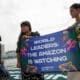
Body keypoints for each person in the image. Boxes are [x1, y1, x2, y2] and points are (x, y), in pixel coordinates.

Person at [67, 3, 80, 80]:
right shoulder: (73, 26)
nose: (70, 13)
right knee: (72, 74)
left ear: (78, 10)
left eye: (72, 11)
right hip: (76, 52)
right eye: (70, 11)